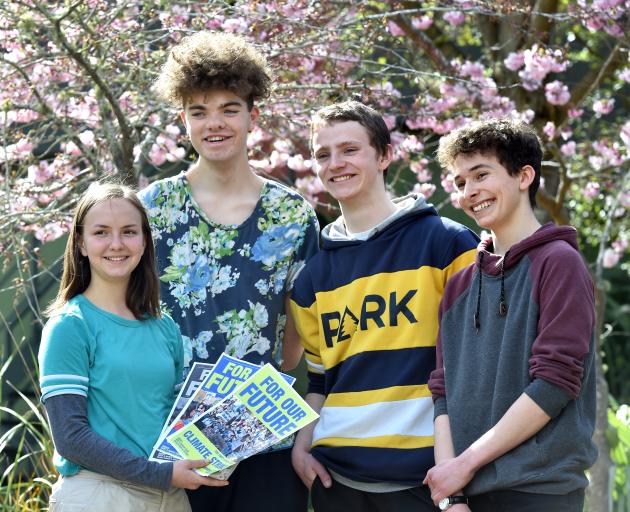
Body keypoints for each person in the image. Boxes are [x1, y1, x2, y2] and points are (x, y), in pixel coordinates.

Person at [139, 31, 319, 512]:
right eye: (199, 112)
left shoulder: (292, 214)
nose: (214, 124)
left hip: (262, 436)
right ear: (183, 121)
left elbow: (299, 327)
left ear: (252, 116)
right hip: (168, 439)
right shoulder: (151, 209)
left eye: (228, 109)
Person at [289, 100, 479, 512]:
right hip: (336, 479)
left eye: (350, 149)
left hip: (429, 479)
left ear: (385, 155)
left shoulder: (448, 244)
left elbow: (475, 365)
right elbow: (321, 381)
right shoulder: (311, 279)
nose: (336, 163)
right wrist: (302, 445)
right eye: (323, 154)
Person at [424, 119, 597, 512]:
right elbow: (442, 391)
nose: (470, 192)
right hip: (467, 495)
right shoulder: (460, 284)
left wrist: (464, 466)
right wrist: (453, 497)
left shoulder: (560, 264)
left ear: (524, 176)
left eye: (481, 175)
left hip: (539, 491)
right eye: (460, 182)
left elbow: (555, 383)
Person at [38, 182, 227, 512]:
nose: (116, 244)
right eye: (101, 232)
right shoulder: (70, 325)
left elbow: (170, 419)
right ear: (81, 243)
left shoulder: (163, 325)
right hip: (100, 496)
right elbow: (70, 437)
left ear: (144, 242)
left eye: (129, 231)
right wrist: (159, 474)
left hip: (171, 497)